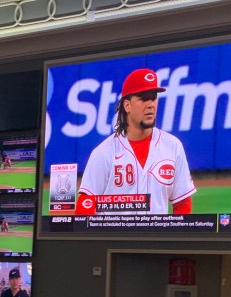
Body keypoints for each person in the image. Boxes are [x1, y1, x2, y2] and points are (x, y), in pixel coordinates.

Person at [78, 68, 196, 214]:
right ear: (127, 105)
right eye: (143, 98)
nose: (150, 104)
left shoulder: (173, 146)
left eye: (153, 98)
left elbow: (182, 204)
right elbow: (85, 206)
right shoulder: (104, 152)